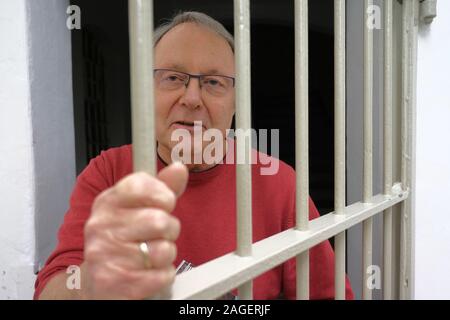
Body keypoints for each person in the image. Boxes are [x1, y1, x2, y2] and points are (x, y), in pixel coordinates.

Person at [35, 11, 354, 300]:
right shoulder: (109, 172)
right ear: (147, 91)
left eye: (214, 82)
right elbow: (53, 286)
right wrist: (94, 285)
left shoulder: (279, 183)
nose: (191, 98)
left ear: (235, 102)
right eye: (173, 77)